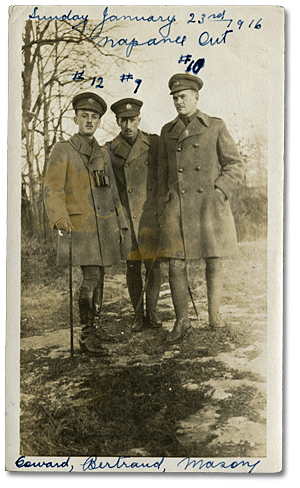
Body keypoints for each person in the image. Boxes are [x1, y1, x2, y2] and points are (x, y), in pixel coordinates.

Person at [157, 73, 244, 344]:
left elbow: (235, 164)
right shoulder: (167, 131)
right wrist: (165, 198)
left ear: (196, 96)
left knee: (214, 259)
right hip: (178, 207)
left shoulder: (215, 126)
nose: (178, 102)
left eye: (183, 96)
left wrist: (220, 191)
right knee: (174, 263)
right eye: (175, 98)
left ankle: (214, 316)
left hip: (209, 204)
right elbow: (161, 172)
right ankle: (182, 321)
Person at [44, 90, 128, 355]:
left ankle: (96, 326)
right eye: (84, 116)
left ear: (99, 122)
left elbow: (112, 191)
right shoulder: (63, 150)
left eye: (94, 117)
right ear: (75, 118)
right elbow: (52, 188)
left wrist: (121, 223)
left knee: (100, 276)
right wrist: (59, 218)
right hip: (78, 227)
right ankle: (86, 335)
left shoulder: (102, 153)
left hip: (103, 228)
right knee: (91, 277)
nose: (89, 121)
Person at [106, 98, 161, 332]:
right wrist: (118, 216)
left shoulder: (153, 144)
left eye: (132, 120)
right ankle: (138, 314)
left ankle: (153, 312)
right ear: (117, 122)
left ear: (139, 119)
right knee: (132, 267)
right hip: (127, 216)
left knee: (153, 265)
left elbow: (160, 178)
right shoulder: (109, 149)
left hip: (149, 213)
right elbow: (108, 186)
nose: (128, 125)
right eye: (123, 120)